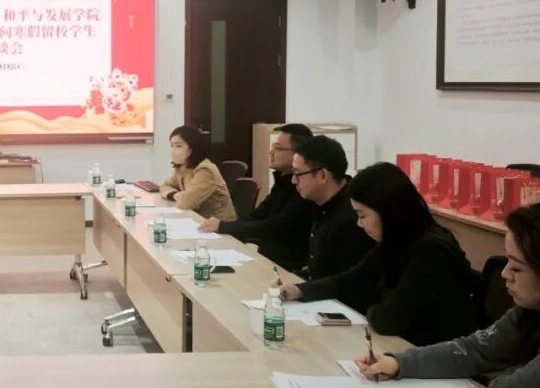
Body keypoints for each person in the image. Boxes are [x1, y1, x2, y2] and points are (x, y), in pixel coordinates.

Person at [358, 204, 540, 388]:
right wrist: (400, 363)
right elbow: (474, 350)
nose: (504, 274)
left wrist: (508, 371)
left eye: (517, 267)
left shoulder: (430, 250)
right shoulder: (528, 314)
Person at [279, 161, 479, 347]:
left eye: (362, 215)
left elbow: (389, 320)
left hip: (436, 355)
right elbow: (353, 280)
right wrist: (300, 290)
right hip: (404, 347)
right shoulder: (397, 240)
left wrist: (369, 307)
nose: (359, 224)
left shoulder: (430, 251)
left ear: (388, 212)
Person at [198, 123, 316, 269]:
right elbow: (257, 215)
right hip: (268, 257)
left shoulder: (304, 189)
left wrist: (225, 227)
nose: (270, 152)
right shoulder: (282, 181)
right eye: (272, 146)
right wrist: (226, 227)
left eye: (278, 148)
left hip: (287, 264)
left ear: (298, 154)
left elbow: (278, 227)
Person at [290, 135, 375, 280]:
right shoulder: (319, 202)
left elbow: (346, 281)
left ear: (323, 175)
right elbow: (319, 268)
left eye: (298, 174)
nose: (293, 180)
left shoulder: (353, 217)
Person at [159, 126, 237, 222]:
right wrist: (174, 194)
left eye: (178, 146)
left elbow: (185, 202)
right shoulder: (183, 167)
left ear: (192, 148)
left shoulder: (205, 170)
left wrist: (181, 196)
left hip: (218, 225)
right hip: (198, 219)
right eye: (171, 146)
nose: (172, 152)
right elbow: (164, 186)